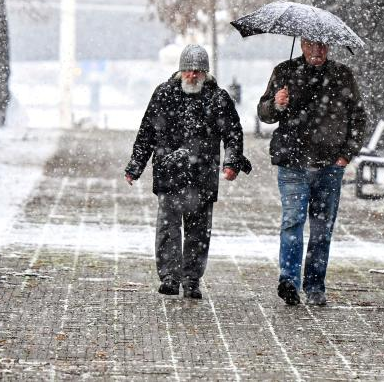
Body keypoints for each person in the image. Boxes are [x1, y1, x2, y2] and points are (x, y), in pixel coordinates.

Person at [125, 44, 250, 299]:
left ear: (205, 73)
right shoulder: (164, 94)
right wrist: (135, 166)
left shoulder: (218, 99)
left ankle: (191, 279)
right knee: (168, 229)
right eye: (188, 71)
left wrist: (231, 163)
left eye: (198, 71)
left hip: (202, 176)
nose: (192, 76)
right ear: (180, 71)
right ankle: (170, 276)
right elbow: (147, 132)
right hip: (169, 172)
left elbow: (233, 134)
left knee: (198, 231)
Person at [258, 37, 366, 306]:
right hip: (292, 162)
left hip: (329, 165)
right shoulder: (284, 71)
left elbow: (358, 117)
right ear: (302, 45)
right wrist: (277, 103)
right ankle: (289, 281)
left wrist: (346, 154)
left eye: (322, 45)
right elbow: (264, 113)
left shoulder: (342, 75)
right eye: (310, 45)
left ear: (329, 47)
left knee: (321, 229)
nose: (316, 51)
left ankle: (315, 284)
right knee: (292, 221)